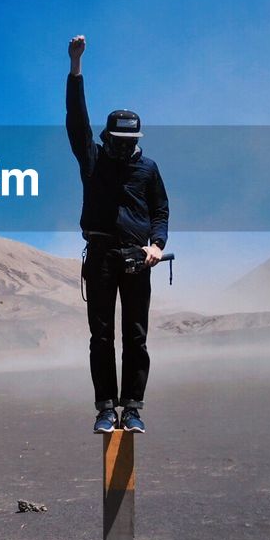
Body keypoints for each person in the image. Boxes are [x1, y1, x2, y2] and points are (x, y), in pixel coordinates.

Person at [65, 34, 169, 434]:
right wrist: (76, 68)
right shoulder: (93, 160)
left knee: (136, 338)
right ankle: (106, 409)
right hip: (101, 258)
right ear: (107, 138)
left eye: (130, 144)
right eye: (118, 142)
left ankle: (134, 408)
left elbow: (160, 210)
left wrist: (156, 245)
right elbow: (76, 123)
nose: (123, 149)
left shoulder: (149, 169)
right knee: (102, 337)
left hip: (137, 260)